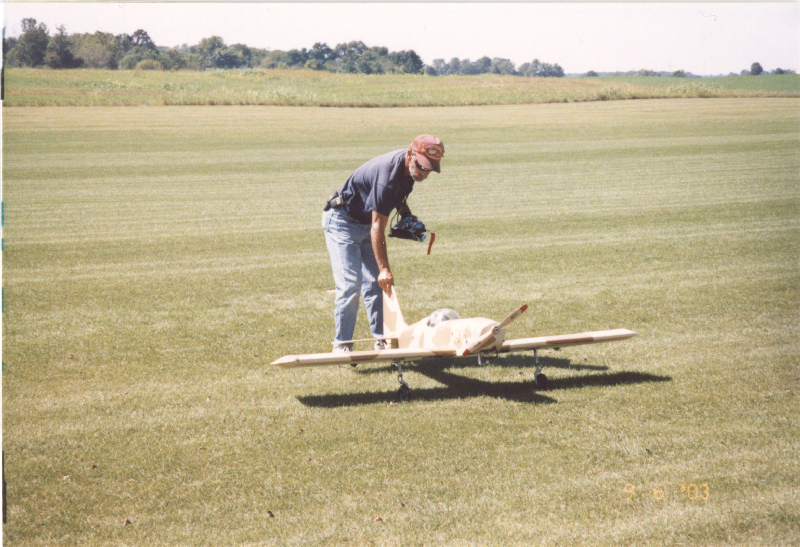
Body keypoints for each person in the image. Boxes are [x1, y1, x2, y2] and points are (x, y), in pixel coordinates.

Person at [322, 134, 445, 352]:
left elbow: (398, 198)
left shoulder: (409, 172)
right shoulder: (387, 176)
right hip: (342, 222)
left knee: (376, 284)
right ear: (410, 155)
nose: (424, 173)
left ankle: (383, 341)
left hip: (365, 221)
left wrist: (407, 215)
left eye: (429, 170)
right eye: (421, 167)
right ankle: (342, 345)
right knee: (351, 284)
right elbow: (377, 227)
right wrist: (384, 269)